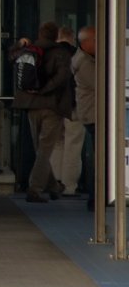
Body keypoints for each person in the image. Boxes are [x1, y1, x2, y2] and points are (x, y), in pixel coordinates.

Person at [14, 21, 73, 203]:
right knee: (44, 150)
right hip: (52, 105)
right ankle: (35, 189)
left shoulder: (27, 49)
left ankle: (53, 186)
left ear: (39, 33)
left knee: (41, 149)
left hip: (31, 105)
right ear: (56, 36)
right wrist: (46, 89)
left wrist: (18, 45)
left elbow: (12, 58)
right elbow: (63, 76)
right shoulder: (61, 53)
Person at [50, 26, 84, 197]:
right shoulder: (78, 54)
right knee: (73, 145)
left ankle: (56, 182)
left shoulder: (49, 54)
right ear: (72, 38)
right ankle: (69, 185)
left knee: (56, 144)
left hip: (53, 106)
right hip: (74, 106)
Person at [71, 26, 97, 211]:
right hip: (94, 114)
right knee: (98, 159)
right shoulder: (85, 63)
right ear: (86, 42)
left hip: (90, 113)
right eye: (96, 40)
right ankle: (95, 198)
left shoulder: (83, 59)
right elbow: (100, 83)